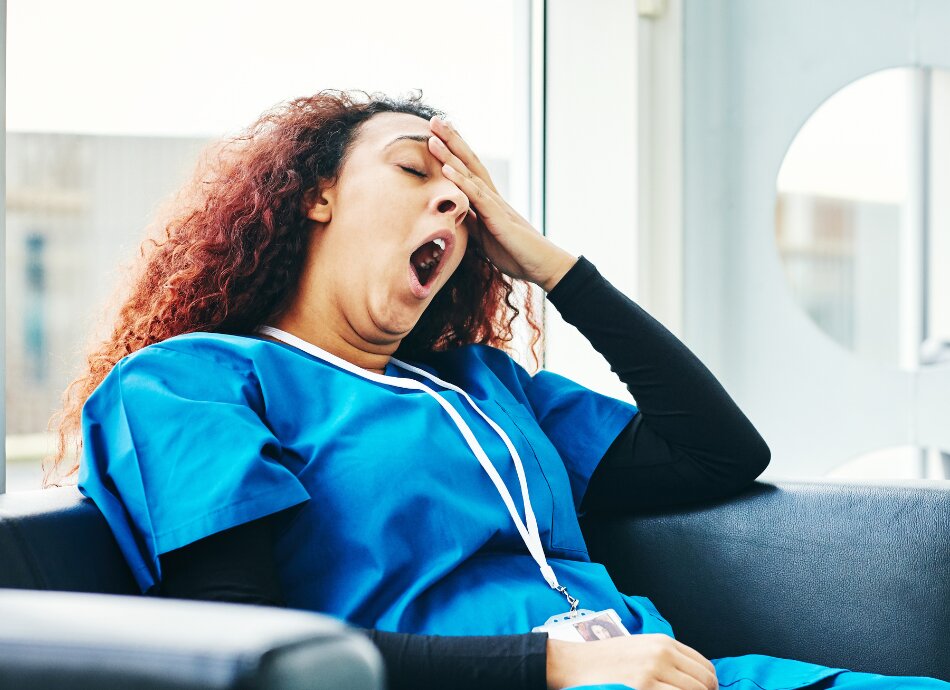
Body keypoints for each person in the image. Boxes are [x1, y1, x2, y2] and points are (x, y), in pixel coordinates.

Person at [50, 89, 950, 690]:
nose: (452, 204)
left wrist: (551, 264)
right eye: (415, 170)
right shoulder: (192, 381)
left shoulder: (482, 386)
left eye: (466, 198)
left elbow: (717, 453)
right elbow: (252, 646)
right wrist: (550, 668)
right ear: (315, 195)